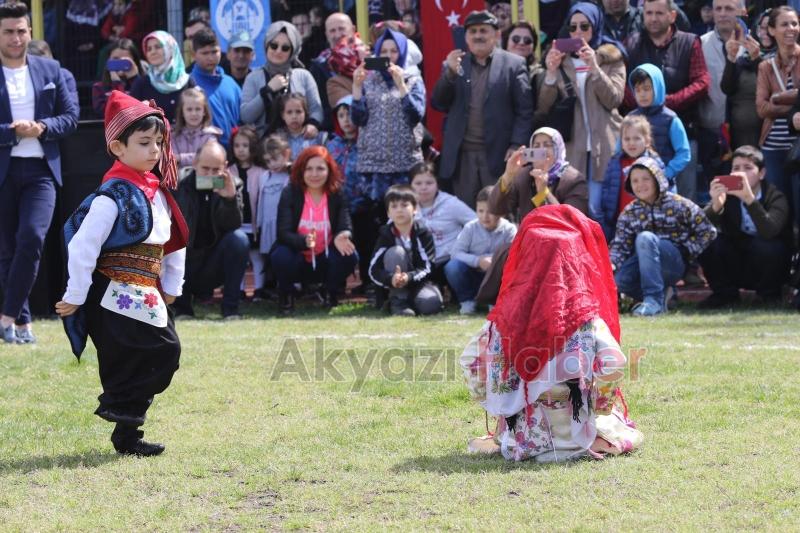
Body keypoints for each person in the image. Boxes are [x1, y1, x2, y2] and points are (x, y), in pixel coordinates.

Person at [56, 90, 187, 456]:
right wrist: (76, 295)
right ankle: (122, 409)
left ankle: (126, 430)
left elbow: (173, 241)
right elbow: (82, 246)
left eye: (158, 142)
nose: (155, 150)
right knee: (157, 352)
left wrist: (172, 285)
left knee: (159, 355)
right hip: (113, 291)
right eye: (144, 142)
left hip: (145, 290)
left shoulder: (157, 192)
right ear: (117, 147)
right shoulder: (111, 196)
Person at [459, 204, 644, 462]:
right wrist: (600, 404)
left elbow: (471, 362)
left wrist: (498, 400)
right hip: (577, 434)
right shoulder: (586, 320)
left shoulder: (504, 319)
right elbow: (614, 363)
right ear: (574, 261)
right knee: (621, 430)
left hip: (521, 439)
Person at [0, 2, 79, 344]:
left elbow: (70, 117)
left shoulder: (51, 69)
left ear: (30, 32)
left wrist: (42, 127)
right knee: (6, 251)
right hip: (4, 168)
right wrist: (13, 132)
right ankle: (22, 325)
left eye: (21, 31)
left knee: (32, 238)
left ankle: (5, 317)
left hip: (41, 171)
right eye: (8, 32)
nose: (15, 38)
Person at [431, 10, 533, 207]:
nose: (478, 36)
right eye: (473, 31)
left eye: (483, 31)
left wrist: (516, 144)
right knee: (467, 213)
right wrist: (450, 73)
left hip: (498, 155)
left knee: (499, 210)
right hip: (462, 158)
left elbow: (525, 111)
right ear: (465, 37)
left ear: (497, 34)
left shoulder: (514, 64)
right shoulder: (454, 64)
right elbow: (438, 103)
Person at [538, 2, 626, 220]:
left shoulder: (612, 58)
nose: (578, 32)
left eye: (584, 26)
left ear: (595, 27)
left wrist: (594, 67)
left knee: (598, 208)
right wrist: (551, 73)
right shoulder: (561, 60)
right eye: (573, 27)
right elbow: (544, 106)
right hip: (573, 146)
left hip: (604, 144)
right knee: (577, 209)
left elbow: (614, 99)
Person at [625, 0, 711, 202]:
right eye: (649, 13)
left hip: (683, 129)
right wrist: (642, 102)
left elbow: (702, 82)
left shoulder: (689, 42)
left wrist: (666, 102)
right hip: (638, 136)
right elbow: (624, 85)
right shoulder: (632, 43)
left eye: (659, 13)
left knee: (685, 199)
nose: (653, 18)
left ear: (672, 16)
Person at [609, 156, 717, 316]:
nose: (640, 185)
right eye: (635, 181)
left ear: (657, 179)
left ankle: (653, 301)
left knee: (645, 238)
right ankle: (664, 295)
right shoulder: (629, 212)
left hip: (674, 262)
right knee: (620, 281)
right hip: (643, 265)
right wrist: (611, 265)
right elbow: (620, 246)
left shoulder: (679, 204)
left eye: (646, 179)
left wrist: (687, 250)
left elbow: (708, 231)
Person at [699, 145, 792, 308]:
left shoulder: (775, 196)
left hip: (769, 265)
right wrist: (715, 206)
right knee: (708, 241)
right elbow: (698, 226)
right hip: (738, 261)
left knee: (769, 246)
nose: (740, 173)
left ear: (762, 173)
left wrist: (750, 199)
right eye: (736, 168)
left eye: (748, 168)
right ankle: (725, 295)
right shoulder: (728, 195)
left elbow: (769, 231)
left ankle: (768, 296)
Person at [271, 146, 358, 315]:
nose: (314, 174)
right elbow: (283, 233)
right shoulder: (290, 192)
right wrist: (303, 241)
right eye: (309, 169)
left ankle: (329, 292)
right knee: (281, 255)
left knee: (350, 254)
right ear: (301, 170)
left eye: (320, 169)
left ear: (329, 170)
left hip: (325, 256)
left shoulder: (337, 193)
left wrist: (343, 235)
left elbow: (345, 224)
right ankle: (286, 295)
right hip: (298, 256)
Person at [172, 141, 249, 319]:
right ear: (194, 164)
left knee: (239, 239)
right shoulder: (178, 183)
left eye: (216, 170)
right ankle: (182, 309)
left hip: (213, 263)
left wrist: (229, 199)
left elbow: (233, 226)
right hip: (184, 261)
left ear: (225, 167)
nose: (210, 174)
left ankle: (231, 309)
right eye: (205, 169)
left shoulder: (233, 184)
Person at [351, 27, 426, 206]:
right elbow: (358, 119)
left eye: (394, 51)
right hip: (373, 164)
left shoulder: (413, 80)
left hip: (405, 163)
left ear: (402, 53)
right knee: (377, 214)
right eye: (384, 51)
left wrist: (401, 86)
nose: (389, 56)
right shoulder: (368, 80)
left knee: (406, 211)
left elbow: (415, 115)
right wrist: (356, 87)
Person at [368, 184, 443, 317]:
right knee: (396, 252)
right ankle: (398, 301)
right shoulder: (385, 234)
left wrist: (409, 277)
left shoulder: (423, 232)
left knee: (431, 305)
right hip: (394, 285)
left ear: (415, 209)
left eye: (404, 205)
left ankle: (411, 301)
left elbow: (428, 267)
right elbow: (373, 269)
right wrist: (391, 278)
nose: (399, 210)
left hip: (418, 282)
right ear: (388, 213)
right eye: (394, 206)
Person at [241, 21, 323, 138]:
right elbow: (246, 116)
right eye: (274, 45)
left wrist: (313, 124)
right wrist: (267, 91)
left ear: (292, 51)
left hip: (299, 142)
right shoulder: (253, 77)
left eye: (285, 48)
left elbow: (316, 109)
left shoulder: (304, 76)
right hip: (264, 144)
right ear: (267, 45)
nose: (278, 51)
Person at [755, 6, 800, 220]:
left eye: (794, 23)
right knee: (779, 210)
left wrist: (779, 98)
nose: (791, 28)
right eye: (784, 24)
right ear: (772, 30)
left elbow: (770, 105)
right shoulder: (766, 66)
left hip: (798, 145)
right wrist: (794, 107)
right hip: (773, 147)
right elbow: (762, 109)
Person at [489, 127, 589, 222]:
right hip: (529, 234)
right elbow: (496, 209)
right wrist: (508, 175)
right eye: (536, 146)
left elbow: (570, 222)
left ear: (558, 149)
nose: (541, 150)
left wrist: (543, 192)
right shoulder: (524, 175)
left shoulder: (573, 180)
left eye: (547, 145)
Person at [697, 0, 748, 185]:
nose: (722, 13)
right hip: (711, 132)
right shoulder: (700, 44)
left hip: (746, 133)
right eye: (718, 8)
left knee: (743, 189)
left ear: (741, 11)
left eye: (728, 8)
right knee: (717, 191)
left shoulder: (753, 44)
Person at [445, 186, 516, 315]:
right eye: (480, 211)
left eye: (490, 211)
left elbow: (514, 256)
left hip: (496, 277)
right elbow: (455, 253)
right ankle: (467, 300)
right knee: (453, 267)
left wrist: (494, 261)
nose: (485, 216)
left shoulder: (510, 230)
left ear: (501, 211)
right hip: (473, 274)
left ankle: (496, 301)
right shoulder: (470, 228)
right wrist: (478, 261)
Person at [599, 115, 665, 240]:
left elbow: (665, 190)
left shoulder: (655, 162)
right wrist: (607, 214)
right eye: (627, 139)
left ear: (647, 141)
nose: (631, 143)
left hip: (648, 224)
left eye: (636, 138)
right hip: (619, 223)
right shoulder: (615, 162)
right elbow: (607, 188)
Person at [626, 64, 691, 189]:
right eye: (637, 90)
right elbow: (619, 151)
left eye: (647, 89)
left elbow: (684, 153)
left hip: (665, 187)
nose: (642, 94)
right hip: (637, 187)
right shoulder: (630, 119)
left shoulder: (671, 119)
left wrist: (666, 173)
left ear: (658, 87)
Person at [720, 8, 771, 149]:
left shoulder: (783, 59)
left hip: (770, 137)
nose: (766, 33)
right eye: (762, 28)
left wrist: (757, 59)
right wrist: (731, 57)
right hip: (739, 137)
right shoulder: (744, 58)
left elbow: (772, 87)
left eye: (770, 27)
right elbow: (727, 88)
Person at [411, 162, 476, 269]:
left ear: (437, 184)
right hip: (419, 263)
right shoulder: (406, 205)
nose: (424, 187)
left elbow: (476, 223)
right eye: (418, 183)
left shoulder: (451, 203)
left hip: (449, 260)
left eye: (429, 183)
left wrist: (463, 244)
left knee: (454, 267)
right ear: (410, 185)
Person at [228, 125, 268, 299]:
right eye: (237, 145)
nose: (241, 149)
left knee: (256, 257)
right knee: (239, 259)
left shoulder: (261, 172)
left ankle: (259, 289)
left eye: (245, 145)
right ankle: (239, 290)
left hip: (254, 224)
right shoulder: (228, 171)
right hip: (236, 224)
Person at [189, 28, 240, 148]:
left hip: (234, 152)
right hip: (203, 152)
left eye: (214, 52)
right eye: (205, 53)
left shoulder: (230, 83)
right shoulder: (189, 84)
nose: (211, 58)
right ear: (194, 55)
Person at [130, 30, 193, 123]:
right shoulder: (142, 84)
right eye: (149, 49)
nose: (153, 52)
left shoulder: (187, 81)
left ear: (170, 48)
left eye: (158, 47)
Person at [255, 135, 292, 292]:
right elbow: (260, 200)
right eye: (268, 161)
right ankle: (271, 284)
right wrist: (259, 223)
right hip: (268, 223)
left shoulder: (291, 175)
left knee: (285, 252)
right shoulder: (265, 176)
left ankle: (291, 284)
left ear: (286, 154)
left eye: (275, 159)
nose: (272, 164)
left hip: (284, 223)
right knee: (268, 254)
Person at [309, 13, 357, 131]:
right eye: (332, 31)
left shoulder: (367, 57)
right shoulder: (319, 66)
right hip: (335, 132)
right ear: (326, 35)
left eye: (341, 29)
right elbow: (319, 106)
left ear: (353, 30)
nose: (337, 35)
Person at [171, 87, 222, 170]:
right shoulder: (173, 135)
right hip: (178, 177)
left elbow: (207, 157)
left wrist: (181, 158)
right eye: (189, 109)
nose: (194, 113)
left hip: (204, 177)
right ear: (182, 112)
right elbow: (172, 159)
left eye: (198, 109)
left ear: (204, 111)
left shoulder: (210, 135)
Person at [91, 38, 142, 117]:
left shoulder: (144, 83)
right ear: (108, 61)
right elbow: (108, 111)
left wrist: (134, 79)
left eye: (125, 59)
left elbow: (142, 106)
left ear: (134, 61)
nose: (120, 62)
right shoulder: (98, 87)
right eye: (115, 59)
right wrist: (117, 84)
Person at [268, 93, 328, 160]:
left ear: (305, 113)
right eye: (289, 112)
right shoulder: (277, 139)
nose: (294, 116)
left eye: (298, 112)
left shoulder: (318, 137)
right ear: (283, 115)